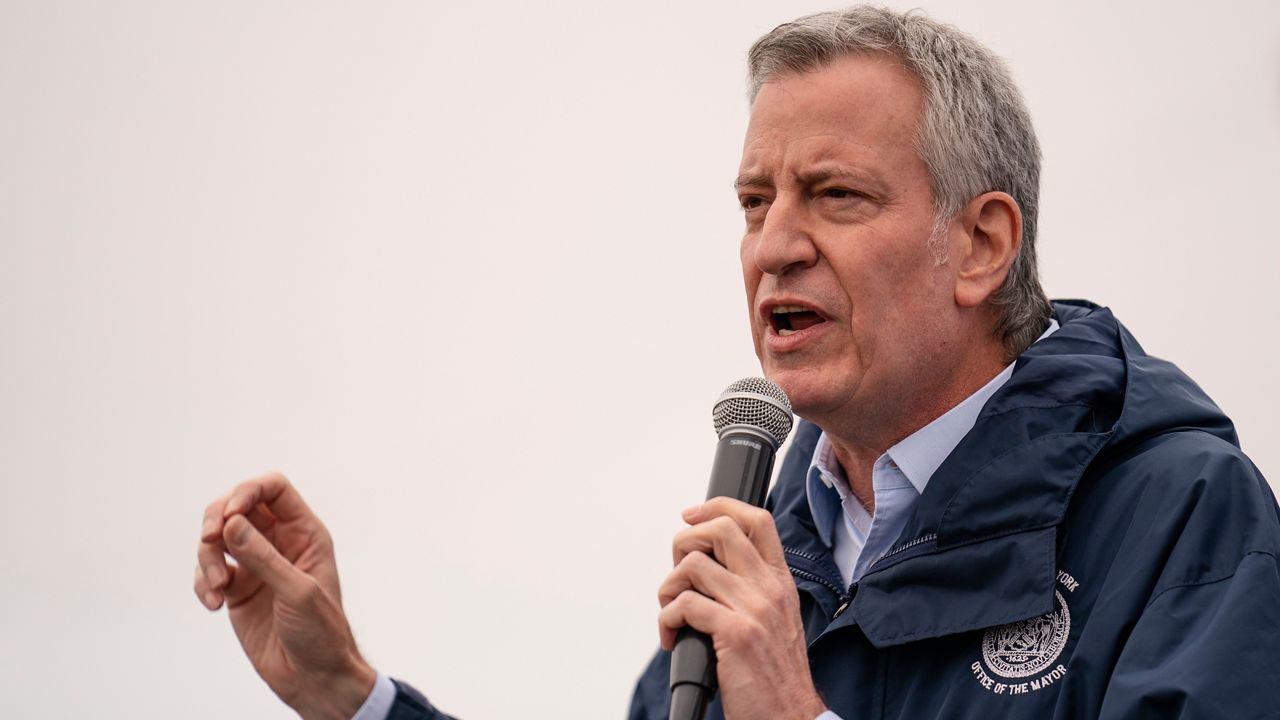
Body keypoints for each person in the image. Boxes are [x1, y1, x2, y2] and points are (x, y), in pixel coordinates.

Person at [194, 6, 1280, 719]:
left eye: (834, 195)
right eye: (754, 203)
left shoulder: (1177, 516)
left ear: (981, 244)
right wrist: (351, 693)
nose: (773, 245)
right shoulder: (768, 554)